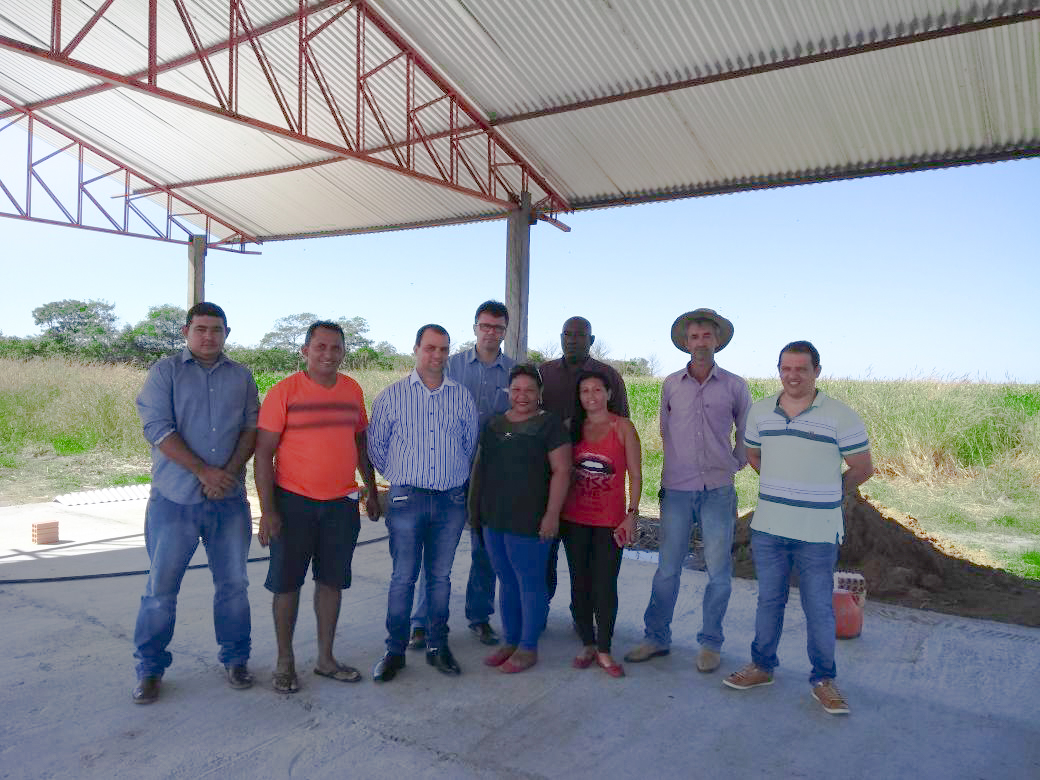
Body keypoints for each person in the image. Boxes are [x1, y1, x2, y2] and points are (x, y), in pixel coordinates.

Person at [723, 341, 873, 716]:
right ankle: (762, 667)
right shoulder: (761, 412)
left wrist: (828, 491)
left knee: (819, 607)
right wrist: (783, 483)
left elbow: (862, 467)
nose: (793, 376)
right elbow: (753, 454)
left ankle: (823, 681)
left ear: (816, 372)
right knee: (769, 601)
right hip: (769, 527)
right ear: (779, 371)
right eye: (786, 369)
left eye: (801, 369)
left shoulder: (840, 415)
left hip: (818, 531)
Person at [131, 302, 259, 704]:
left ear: (227, 333)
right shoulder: (165, 372)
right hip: (174, 501)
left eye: (216, 329)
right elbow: (157, 428)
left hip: (228, 501)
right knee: (161, 590)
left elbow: (251, 428)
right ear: (186, 331)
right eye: (201, 329)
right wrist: (204, 472)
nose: (208, 336)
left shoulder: (241, 376)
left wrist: (228, 474)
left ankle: (236, 660)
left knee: (234, 586)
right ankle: (150, 669)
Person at [254, 321, 380, 693]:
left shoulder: (352, 390)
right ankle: (285, 663)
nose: (328, 354)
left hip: (341, 505)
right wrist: (268, 510)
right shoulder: (284, 392)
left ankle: (326, 659)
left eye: (335, 347)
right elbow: (263, 454)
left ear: (343, 352)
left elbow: (360, 444)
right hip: (293, 504)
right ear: (305, 351)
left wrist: (371, 490)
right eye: (320, 346)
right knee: (286, 585)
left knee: (331, 583)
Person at [625, 308, 751, 673]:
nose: (700, 342)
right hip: (677, 489)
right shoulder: (671, 384)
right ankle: (656, 638)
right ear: (685, 342)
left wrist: (734, 463)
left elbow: (747, 432)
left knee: (718, 572)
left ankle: (710, 644)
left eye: (706, 336)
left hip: (718, 491)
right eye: (694, 337)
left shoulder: (735, 386)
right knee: (667, 569)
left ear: (717, 340)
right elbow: (666, 430)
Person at [367, 324, 479, 682]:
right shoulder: (392, 396)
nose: (437, 355)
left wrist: (448, 474)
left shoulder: (461, 397)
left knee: (440, 578)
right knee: (403, 577)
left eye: (444, 349)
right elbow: (376, 448)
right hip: (406, 499)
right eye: (430, 348)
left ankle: (437, 646)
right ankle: (394, 651)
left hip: (450, 500)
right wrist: (403, 476)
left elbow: (468, 445)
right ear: (416, 349)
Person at [408, 300, 514, 651]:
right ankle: (422, 622)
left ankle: (479, 617)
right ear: (475, 328)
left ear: (505, 331)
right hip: (449, 470)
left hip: (493, 474)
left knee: (486, 550)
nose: (491, 333)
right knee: (439, 550)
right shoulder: (449, 366)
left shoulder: (514, 372)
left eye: (498, 327)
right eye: (485, 326)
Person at [469, 364, 571, 673]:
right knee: (506, 581)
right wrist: (476, 513)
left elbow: (562, 471)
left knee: (530, 582)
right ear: (508, 392)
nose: (522, 396)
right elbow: (480, 468)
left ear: (540, 393)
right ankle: (510, 641)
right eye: (516, 390)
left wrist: (552, 515)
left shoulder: (550, 425)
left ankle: (528, 647)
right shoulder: (494, 424)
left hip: (531, 519)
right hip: (494, 517)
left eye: (529, 390)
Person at [539, 316, 630, 607]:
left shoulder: (607, 376)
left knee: (588, 561)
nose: (572, 340)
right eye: (567, 334)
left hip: (592, 483)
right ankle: (540, 609)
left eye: (579, 335)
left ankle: (585, 618)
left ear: (591, 340)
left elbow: (621, 428)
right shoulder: (545, 373)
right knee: (544, 551)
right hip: (548, 478)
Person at [561, 370, 642, 678]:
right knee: (579, 583)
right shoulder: (571, 427)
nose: (591, 396)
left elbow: (635, 474)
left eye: (597, 390)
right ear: (578, 397)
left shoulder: (623, 427)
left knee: (604, 585)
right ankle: (587, 643)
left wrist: (631, 514)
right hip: (574, 519)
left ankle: (605, 648)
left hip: (610, 522)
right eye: (585, 391)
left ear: (609, 393)